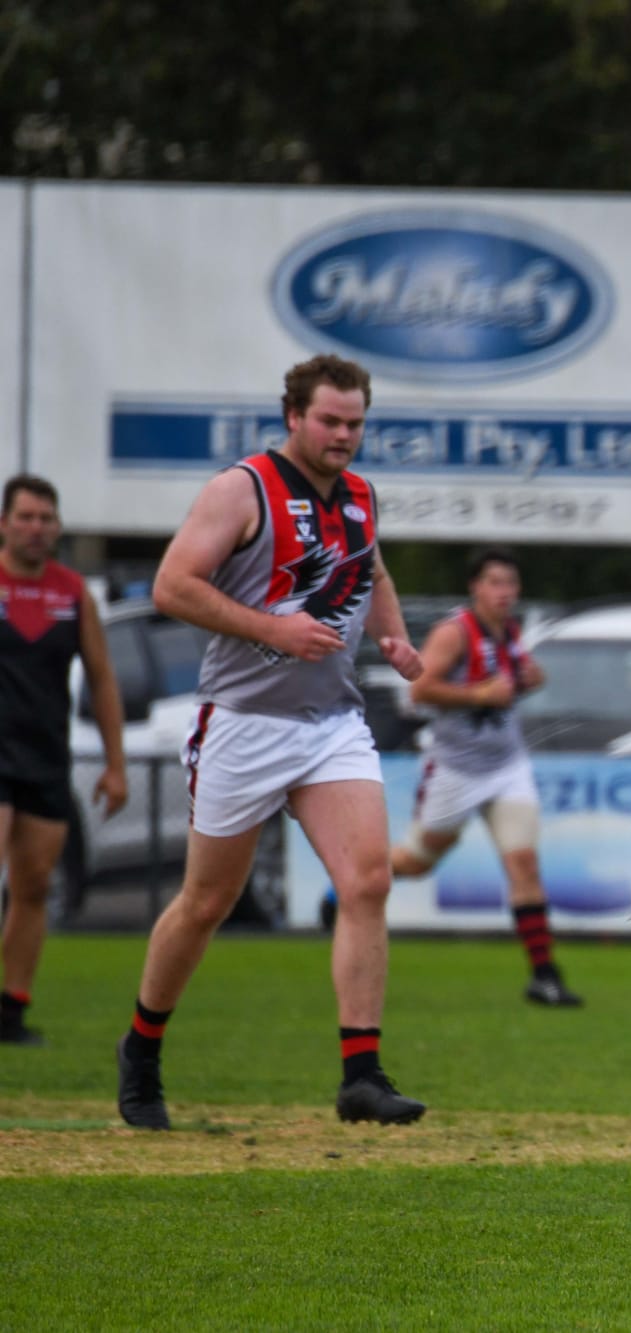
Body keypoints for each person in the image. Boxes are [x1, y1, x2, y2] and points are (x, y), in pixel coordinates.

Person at [116, 354, 427, 1130]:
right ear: (293, 415)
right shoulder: (242, 488)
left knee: (367, 882)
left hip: (330, 721)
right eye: (330, 420)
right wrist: (274, 629)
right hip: (244, 720)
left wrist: (393, 637)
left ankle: (362, 1072)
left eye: (356, 423)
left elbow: (373, 569)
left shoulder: (359, 495)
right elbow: (172, 585)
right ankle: (142, 1048)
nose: (344, 436)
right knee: (206, 901)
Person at [388, 547, 580, 1007]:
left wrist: (530, 679)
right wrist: (480, 694)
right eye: (495, 583)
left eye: (510, 583)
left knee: (523, 864)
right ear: (475, 586)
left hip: (507, 765)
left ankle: (544, 975)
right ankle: (353, 889)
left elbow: (509, 685)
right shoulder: (455, 633)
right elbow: (420, 690)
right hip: (456, 769)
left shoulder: (511, 631)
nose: (504, 592)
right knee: (417, 862)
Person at [0, 476, 127, 1045]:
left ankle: (12, 1011)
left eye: (46, 518)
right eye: (25, 517)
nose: (36, 527)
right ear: (4, 523)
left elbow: (101, 680)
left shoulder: (72, 592)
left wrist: (116, 764)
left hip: (47, 757)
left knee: (33, 887)